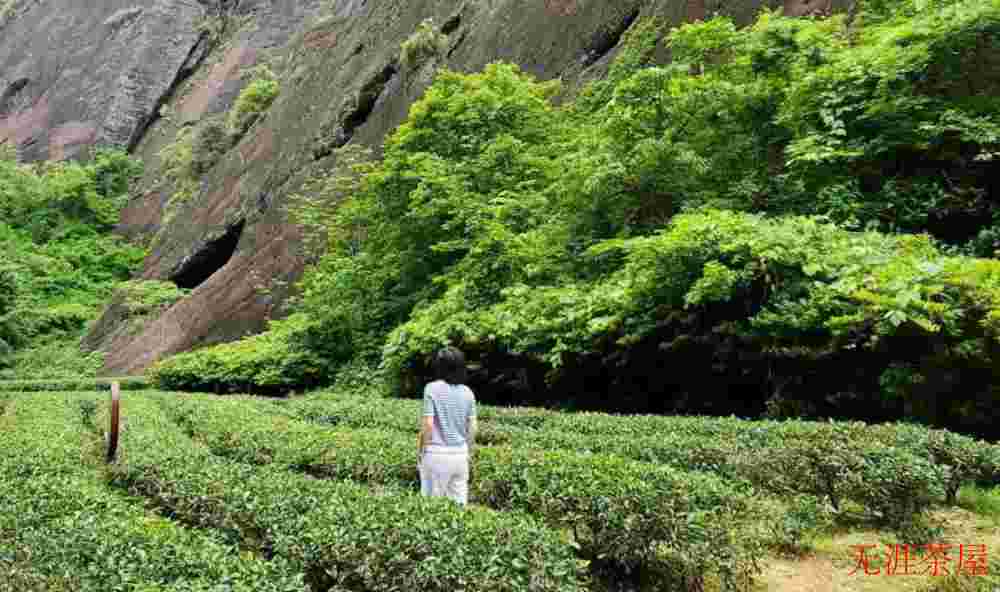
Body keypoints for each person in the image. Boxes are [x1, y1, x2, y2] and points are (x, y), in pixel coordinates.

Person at [417, 346, 477, 506]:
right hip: (460, 455)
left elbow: (428, 425)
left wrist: (421, 451)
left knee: (430, 507)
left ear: (439, 367)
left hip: (437, 454)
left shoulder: (432, 389)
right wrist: (468, 451)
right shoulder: (468, 392)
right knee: (458, 508)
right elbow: (472, 427)